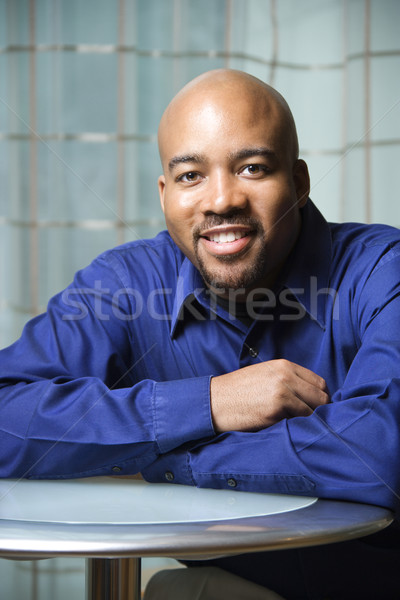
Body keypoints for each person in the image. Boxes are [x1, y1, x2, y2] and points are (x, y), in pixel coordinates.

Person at [0, 69, 399, 599]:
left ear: (300, 183)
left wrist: (170, 463)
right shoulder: (123, 284)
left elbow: (382, 450)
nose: (222, 200)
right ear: (165, 196)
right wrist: (208, 404)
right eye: (191, 176)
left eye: (252, 168)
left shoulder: (381, 272)